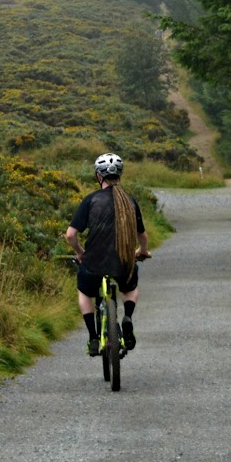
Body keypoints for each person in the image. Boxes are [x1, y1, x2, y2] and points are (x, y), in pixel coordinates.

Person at [65, 152, 150, 355]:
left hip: (93, 262)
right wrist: (142, 251)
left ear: (99, 176)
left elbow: (70, 235)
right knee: (130, 290)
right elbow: (142, 235)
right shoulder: (130, 201)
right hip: (123, 263)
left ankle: (93, 337)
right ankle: (127, 318)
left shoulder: (91, 200)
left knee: (85, 293)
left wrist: (80, 253)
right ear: (120, 175)